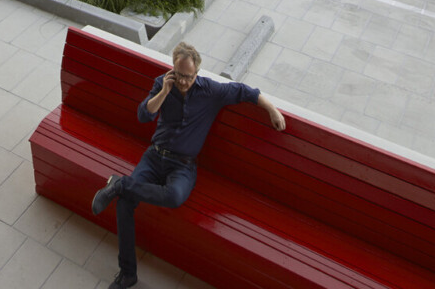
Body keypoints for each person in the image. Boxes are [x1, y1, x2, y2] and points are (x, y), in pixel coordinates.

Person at [90, 42, 287, 288]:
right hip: (154, 157)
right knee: (125, 204)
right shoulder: (162, 83)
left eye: (189, 76)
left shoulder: (211, 91)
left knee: (174, 196)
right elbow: (143, 115)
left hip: (182, 166)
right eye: (180, 75)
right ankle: (128, 273)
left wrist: (272, 110)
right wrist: (164, 90)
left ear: (197, 72)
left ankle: (119, 184)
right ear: (173, 69)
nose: (184, 81)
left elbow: (245, 91)